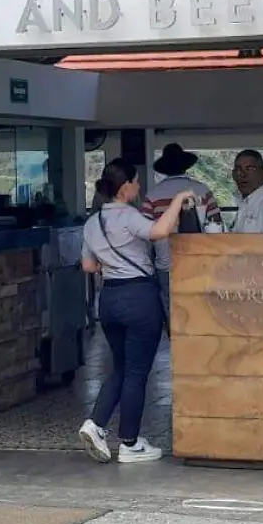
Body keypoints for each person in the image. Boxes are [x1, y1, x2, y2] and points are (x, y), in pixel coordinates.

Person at [78, 159, 196, 464]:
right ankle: (129, 443)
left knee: (122, 367)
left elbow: (89, 266)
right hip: (139, 298)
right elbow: (159, 231)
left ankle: (95, 423)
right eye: (136, 181)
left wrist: (112, 263)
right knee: (136, 372)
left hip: (110, 300)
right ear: (125, 186)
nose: (140, 186)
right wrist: (179, 200)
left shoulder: (92, 223)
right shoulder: (128, 216)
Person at [142, 142, 223, 315]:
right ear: (185, 166)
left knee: (173, 313)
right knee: (201, 311)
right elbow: (217, 226)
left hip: (166, 263)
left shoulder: (153, 195)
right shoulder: (202, 190)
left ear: (165, 168)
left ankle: (174, 339)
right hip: (200, 263)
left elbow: (144, 235)